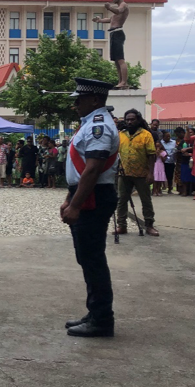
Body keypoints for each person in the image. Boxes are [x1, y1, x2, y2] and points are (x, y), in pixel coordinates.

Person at [61, 78, 120, 338]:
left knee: (92, 258)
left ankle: (102, 319)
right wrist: (69, 196)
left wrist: (75, 205)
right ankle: (94, 311)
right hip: (86, 193)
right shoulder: (90, 123)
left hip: (94, 196)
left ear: (95, 100)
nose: (75, 104)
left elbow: (93, 169)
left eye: (79, 99)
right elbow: (80, 168)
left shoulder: (99, 126)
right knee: (86, 257)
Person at [114, 109, 159, 236]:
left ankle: (149, 225)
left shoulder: (146, 134)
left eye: (132, 119)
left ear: (138, 120)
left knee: (146, 199)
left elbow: (151, 155)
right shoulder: (121, 134)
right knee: (121, 199)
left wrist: (151, 173)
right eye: (127, 119)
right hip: (124, 172)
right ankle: (121, 225)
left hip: (142, 173)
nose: (129, 122)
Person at [93, 0, 130, 89]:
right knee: (116, 60)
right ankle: (120, 81)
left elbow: (118, 11)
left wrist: (109, 8)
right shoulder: (118, 8)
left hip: (118, 33)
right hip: (113, 34)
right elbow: (111, 19)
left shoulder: (123, 5)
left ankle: (124, 81)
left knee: (120, 59)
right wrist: (99, 20)